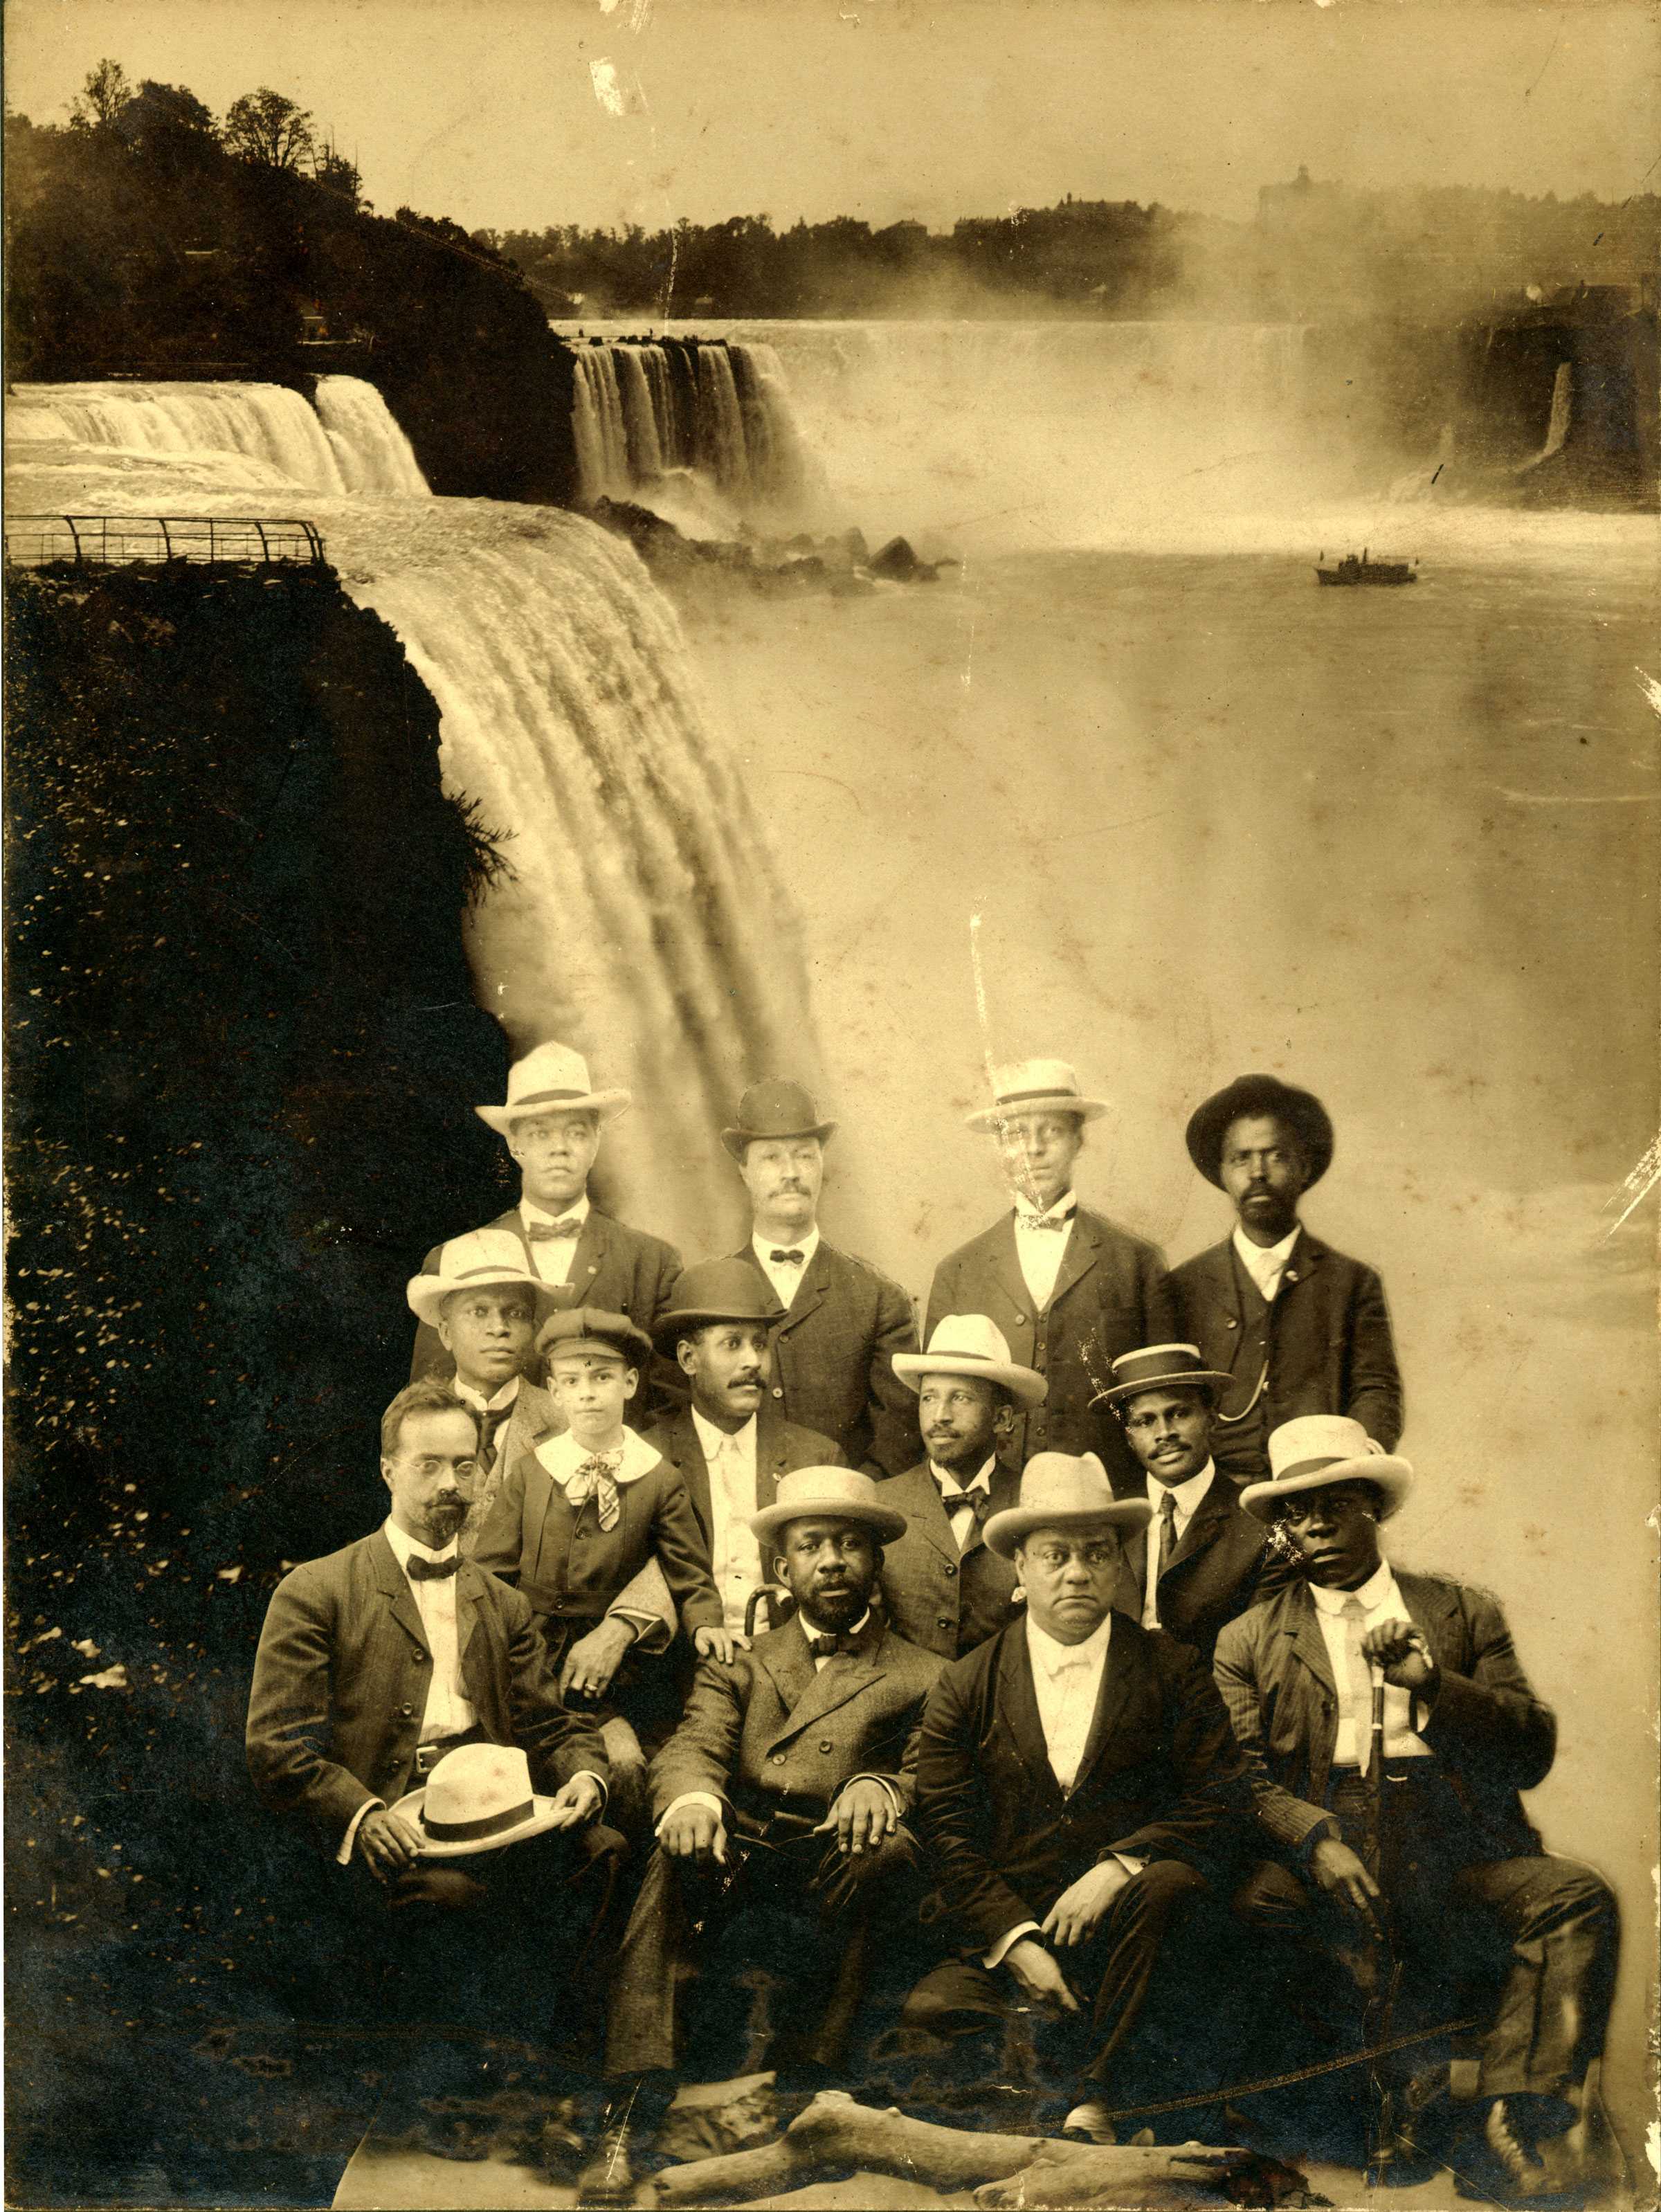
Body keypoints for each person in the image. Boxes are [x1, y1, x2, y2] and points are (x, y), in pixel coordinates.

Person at [1215, 1417, 1619, 2200]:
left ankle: (1514, 2118)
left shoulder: (1463, 1613)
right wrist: (1313, 1837)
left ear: (1376, 1507)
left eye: (1338, 1502)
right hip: (1326, 1841)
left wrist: (1433, 1684)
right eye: (1299, 1513)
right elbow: (1237, 1776)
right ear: (1284, 1531)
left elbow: (1530, 1751)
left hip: (1453, 1844)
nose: (1319, 1524)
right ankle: (1353, 2119)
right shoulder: (1251, 1636)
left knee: (1575, 1895)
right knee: (1250, 1909)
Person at [586, 1467, 943, 2201]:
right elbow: (696, 1744)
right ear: (784, 1568)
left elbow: (934, 1771)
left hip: (834, 1858)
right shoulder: (742, 1664)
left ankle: (813, 2092)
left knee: (891, 1849)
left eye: (850, 1543)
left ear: (876, 1562)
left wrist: (883, 1787)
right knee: (667, 1853)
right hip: (742, 1857)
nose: (833, 1560)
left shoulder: (925, 1672)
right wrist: (691, 1799)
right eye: (812, 1545)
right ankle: (629, 2109)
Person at [244, 1378, 619, 2045]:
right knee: (451, 1901)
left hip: (498, 1810)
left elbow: (551, 1725)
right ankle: (443, 2091)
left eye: (465, 1465)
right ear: (388, 1470)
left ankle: (553, 2062)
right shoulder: (317, 1591)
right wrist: (361, 1814)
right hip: (393, 1817)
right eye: (429, 1464)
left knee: (604, 1851)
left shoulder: (503, 1604)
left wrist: (584, 1775)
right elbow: (278, 1745)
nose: (450, 1482)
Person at [896, 1451, 1248, 2143]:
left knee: (1169, 1886)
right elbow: (946, 1830)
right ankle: (1083, 2094)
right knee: (930, 2021)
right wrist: (1017, 1939)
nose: (1077, 1573)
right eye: (1054, 1554)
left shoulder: (1171, 1668)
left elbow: (1223, 1796)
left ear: (1120, 1564)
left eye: (1096, 1552)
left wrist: (1119, 1868)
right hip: (1015, 1935)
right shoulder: (966, 1684)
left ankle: (1091, 2100)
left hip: (1134, 1936)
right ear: (1018, 1568)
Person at [473, 1311, 734, 1822]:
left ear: (631, 1383)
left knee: (625, 1767)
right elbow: (491, 1570)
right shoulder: (531, 1471)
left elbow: (688, 1567)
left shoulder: (657, 1479)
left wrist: (706, 1623)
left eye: (602, 1378)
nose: (588, 1394)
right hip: (535, 1653)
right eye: (572, 1381)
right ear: (553, 1391)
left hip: (626, 1671)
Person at [925, 1060, 1175, 1496]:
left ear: (1079, 1140)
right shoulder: (958, 1272)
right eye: (1018, 1134)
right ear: (1000, 1148)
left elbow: (1164, 1404)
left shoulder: (1137, 1261)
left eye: (1052, 1131)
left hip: (1107, 1494)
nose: (1035, 1149)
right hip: (992, 1498)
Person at [409, 1040, 682, 1417]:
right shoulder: (457, 1261)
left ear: (597, 1140)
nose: (560, 1148)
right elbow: (429, 1403)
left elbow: (670, 1404)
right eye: (540, 1134)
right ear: (514, 1144)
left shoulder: (650, 1262)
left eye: (576, 1132)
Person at [1168, 1075, 1402, 1485]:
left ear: (1304, 1166)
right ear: (1222, 1173)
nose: (1257, 1172)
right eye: (1241, 1158)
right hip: (1215, 1501)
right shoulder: (1183, 1286)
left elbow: (1376, 1390)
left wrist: (1353, 1465)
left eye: (1275, 1156)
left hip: (1320, 1491)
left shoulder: (1351, 1283)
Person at [881, 1312, 1134, 1657]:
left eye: (960, 1398)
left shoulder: (1038, 1504)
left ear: (1001, 1418)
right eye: (929, 1397)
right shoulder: (884, 1504)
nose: (940, 1415)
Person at [639, 1255, 846, 1642]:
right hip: (680, 1667)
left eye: (759, 1345)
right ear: (688, 1359)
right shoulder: (647, 1457)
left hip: (788, 1662)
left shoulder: (815, 1458)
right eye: (732, 1344)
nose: (753, 1361)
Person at [724, 1078, 920, 1476]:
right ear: (743, 1170)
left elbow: (899, 1442)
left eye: (805, 1156)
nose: (792, 1173)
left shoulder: (881, 1299)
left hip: (843, 1521)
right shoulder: (713, 1291)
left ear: (823, 1165)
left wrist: (842, 1514)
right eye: (772, 1158)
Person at [1095, 1343, 1278, 1668]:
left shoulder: (1258, 1527)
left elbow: (1256, 1654)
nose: (1164, 1433)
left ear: (1211, 1417)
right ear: (1128, 1437)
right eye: (1145, 1421)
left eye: (1179, 1413)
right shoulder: (1106, 1516)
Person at [405, 1228, 559, 1550]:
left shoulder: (564, 1420)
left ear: (532, 1329)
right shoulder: (412, 1424)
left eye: (515, 1313)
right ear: (446, 1333)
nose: (499, 1329)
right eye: (478, 1312)